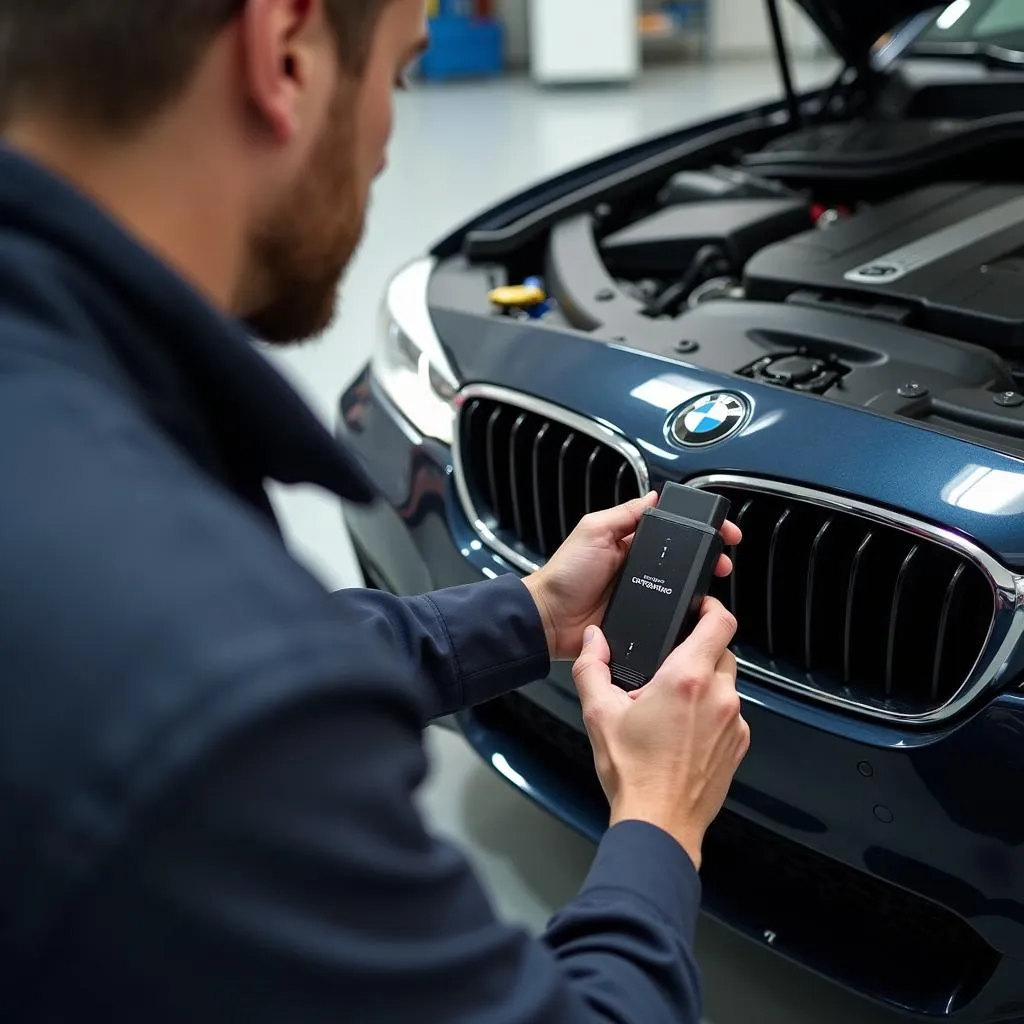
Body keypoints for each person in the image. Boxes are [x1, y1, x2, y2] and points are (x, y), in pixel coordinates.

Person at [0, 1, 750, 1022]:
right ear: (285, 53)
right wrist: (658, 823)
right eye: (398, 77)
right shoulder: (206, 694)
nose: (390, 148)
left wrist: (529, 612)